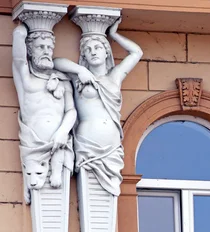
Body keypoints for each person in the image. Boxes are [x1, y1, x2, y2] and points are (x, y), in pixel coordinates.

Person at [53, 18, 142, 196]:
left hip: (111, 143)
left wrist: (114, 34)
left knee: (107, 195)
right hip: (88, 141)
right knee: (90, 192)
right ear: (84, 55)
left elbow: (136, 52)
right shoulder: (78, 78)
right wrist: (80, 70)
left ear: (107, 52)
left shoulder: (114, 77)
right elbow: (56, 62)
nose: (93, 52)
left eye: (98, 47)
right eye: (88, 49)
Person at [12, 24, 76, 203]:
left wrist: (63, 131)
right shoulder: (26, 78)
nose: (46, 51)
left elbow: (71, 111)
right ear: (30, 51)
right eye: (41, 47)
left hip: (58, 141)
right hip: (33, 144)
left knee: (57, 177)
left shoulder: (62, 81)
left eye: (49, 47)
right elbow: (18, 60)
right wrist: (20, 31)